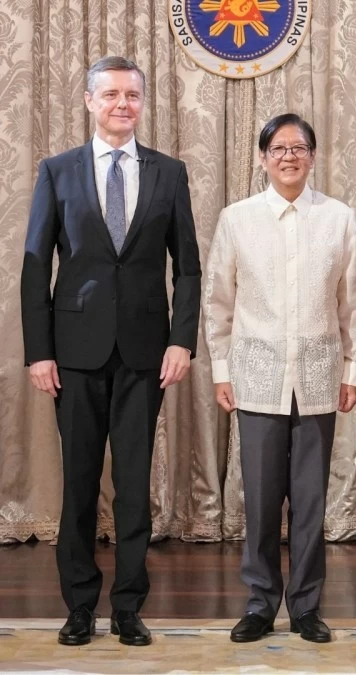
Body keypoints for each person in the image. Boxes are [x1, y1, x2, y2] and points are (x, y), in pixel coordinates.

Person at [20, 56, 201, 647]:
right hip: (72, 355)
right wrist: (38, 352)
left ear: (143, 103)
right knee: (77, 484)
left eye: (132, 95)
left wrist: (181, 341)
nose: (123, 103)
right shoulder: (58, 171)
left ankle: (128, 607)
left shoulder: (169, 173)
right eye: (111, 94)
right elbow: (33, 269)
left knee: (132, 486)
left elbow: (189, 270)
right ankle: (78, 607)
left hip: (146, 354)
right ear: (90, 102)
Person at [203, 113, 356, 644]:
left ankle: (306, 606)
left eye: (299, 148)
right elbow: (218, 304)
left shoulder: (339, 218)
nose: (289, 156)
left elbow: (355, 304)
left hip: (319, 378)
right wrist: (222, 372)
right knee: (260, 498)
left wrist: (353, 369)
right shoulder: (237, 218)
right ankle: (258, 603)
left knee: (310, 501)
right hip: (255, 377)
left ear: (313, 157)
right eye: (278, 148)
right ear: (262, 157)